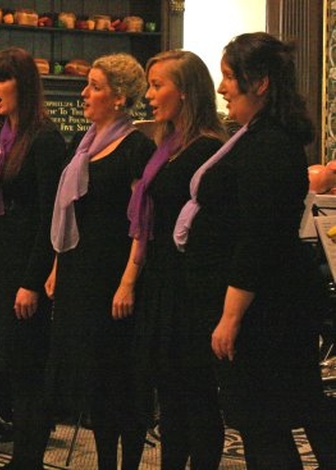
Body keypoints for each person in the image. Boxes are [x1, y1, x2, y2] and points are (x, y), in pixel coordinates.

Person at [176, 32, 336, 469]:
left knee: (265, 423)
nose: (223, 87)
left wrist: (230, 317)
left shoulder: (270, 146)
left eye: (230, 77)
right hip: (257, 306)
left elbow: (256, 241)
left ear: (260, 82)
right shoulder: (256, 136)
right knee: (266, 422)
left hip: (263, 312)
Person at [45, 53, 156, 470]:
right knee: (93, 382)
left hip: (113, 276)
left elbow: (140, 223)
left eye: (94, 85)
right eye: (86, 84)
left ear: (120, 97)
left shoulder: (137, 147)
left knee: (119, 381)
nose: (84, 93)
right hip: (79, 273)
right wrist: (57, 267)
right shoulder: (83, 143)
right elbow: (70, 212)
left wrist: (129, 280)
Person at [125, 50, 228, 470]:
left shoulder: (208, 150)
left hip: (191, 286)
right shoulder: (167, 145)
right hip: (163, 279)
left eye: (157, 85)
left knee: (196, 394)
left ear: (184, 92)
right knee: (169, 395)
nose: (148, 95)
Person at [0, 47, 66, 470]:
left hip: (26, 268)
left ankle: (29, 460)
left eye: (2, 78)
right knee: (4, 366)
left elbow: (50, 217)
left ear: (23, 84)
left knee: (27, 369)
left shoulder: (45, 138)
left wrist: (32, 280)